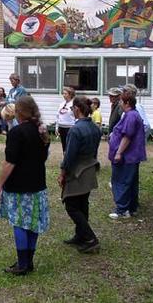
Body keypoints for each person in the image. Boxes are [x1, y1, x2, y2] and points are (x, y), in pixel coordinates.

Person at [0, 96, 50, 275]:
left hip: (19, 186)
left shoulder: (16, 133)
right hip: (37, 184)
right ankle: (28, 262)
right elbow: (43, 158)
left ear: (19, 112)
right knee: (33, 224)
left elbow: (9, 163)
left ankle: (22, 264)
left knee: (19, 223)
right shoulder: (41, 130)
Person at [58, 96, 102, 253]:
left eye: (72, 109)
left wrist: (62, 173)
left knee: (71, 206)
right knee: (83, 203)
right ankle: (81, 235)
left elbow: (69, 156)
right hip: (90, 168)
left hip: (78, 171)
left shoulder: (75, 130)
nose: (72, 111)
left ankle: (90, 238)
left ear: (77, 108)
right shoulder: (95, 128)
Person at [108, 92, 146, 219]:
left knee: (121, 181)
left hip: (127, 157)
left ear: (127, 103)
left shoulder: (131, 116)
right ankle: (131, 207)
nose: (119, 103)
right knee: (131, 182)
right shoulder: (132, 115)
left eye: (121, 101)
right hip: (132, 156)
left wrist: (119, 152)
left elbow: (127, 136)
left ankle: (122, 210)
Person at [55, 87, 76, 153]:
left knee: (70, 146)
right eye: (63, 93)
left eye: (65, 94)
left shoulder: (73, 104)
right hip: (62, 127)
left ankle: (70, 160)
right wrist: (57, 127)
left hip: (70, 127)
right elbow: (58, 116)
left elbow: (76, 116)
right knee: (64, 145)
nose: (63, 95)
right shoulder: (62, 104)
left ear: (70, 94)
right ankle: (65, 160)